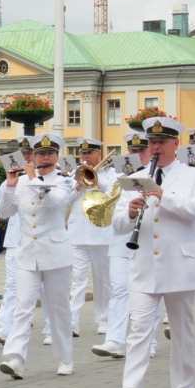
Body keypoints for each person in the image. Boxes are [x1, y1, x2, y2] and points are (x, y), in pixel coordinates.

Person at [111, 117, 195, 388]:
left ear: (176, 144)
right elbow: (118, 224)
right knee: (138, 330)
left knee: (183, 331)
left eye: (162, 142)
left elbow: (194, 210)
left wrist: (163, 196)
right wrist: (131, 211)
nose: (156, 147)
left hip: (179, 265)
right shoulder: (136, 177)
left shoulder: (191, 176)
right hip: (144, 264)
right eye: (152, 142)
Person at [0, 133, 75, 380]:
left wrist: (34, 178)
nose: (44, 157)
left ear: (56, 156)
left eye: (49, 154)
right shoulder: (20, 181)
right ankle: (15, 358)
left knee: (59, 308)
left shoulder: (64, 180)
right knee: (24, 306)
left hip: (55, 253)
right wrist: (10, 185)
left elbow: (55, 204)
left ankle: (65, 357)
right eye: (40, 154)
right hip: (27, 252)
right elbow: (4, 211)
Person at [92, 133, 161, 359]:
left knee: (149, 293)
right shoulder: (117, 178)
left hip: (150, 245)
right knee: (119, 290)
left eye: (141, 150)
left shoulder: (161, 177)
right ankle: (114, 340)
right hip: (122, 244)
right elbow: (115, 218)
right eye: (132, 151)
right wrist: (129, 212)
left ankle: (149, 342)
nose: (135, 155)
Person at [67, 138, 116, 337]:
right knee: (76, 279)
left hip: (101, 235)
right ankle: (72, 320)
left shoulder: (111, 174)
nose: (86, 157)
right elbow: (65, 200)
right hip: (77, 234)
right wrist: (78, 184)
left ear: (99, 154)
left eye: (90, 153)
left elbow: (113, 195)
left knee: (102, 280)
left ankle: (103, 320)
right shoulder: (74, 174)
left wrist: (96, 179)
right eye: (83, 153)